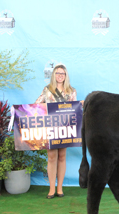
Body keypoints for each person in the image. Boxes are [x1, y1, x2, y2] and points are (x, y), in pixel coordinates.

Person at [35, 64, 77, 199]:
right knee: (52, 157)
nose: (60, 76)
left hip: (65, 128)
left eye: (62, 73)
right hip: (51, 128)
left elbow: (74, 109)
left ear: (66, 76)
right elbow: (36, 105)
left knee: (62, 156)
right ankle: (51, 188)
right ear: (53, 75)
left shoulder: (71, 91)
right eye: (57, 73)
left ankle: (60, 188)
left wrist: (80, 105)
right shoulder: (47, 90)